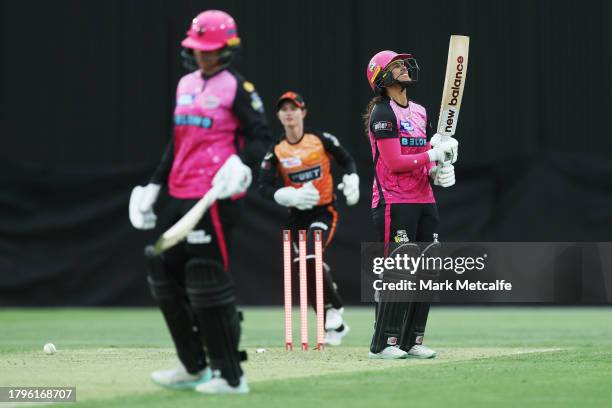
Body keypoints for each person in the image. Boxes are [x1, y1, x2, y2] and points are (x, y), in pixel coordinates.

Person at [128, 10, 271, 394]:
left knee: (205, 275)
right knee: (161, 266)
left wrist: (241, 163)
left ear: (227, 50)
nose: (204, 57)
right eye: (199, 50)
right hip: (180, 193)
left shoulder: (237, 88)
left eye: (211, 51)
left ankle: (230, 376)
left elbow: (261, 137)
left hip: (216, 197)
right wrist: (154, 186)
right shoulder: (185, 85)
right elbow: (179, 141)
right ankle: (194, 366)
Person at [363, 50, 458, 359]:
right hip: (394, 200)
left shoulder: (419, 111)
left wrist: (439, 170)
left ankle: (411, 340)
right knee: (402, 265)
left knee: (429, 262)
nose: (404, 68)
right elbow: (394, 162)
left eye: (403, 64)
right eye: (396, 66)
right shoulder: (382, 113)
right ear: (383, 77)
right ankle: (383, 345)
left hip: (424, 199)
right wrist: (430, 156)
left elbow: (423, 158)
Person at [258, 91, 359, 346]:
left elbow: (346, 160)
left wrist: (352, 179)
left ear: (303, 112)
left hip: (324, 210)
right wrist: (284, 194)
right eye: (284, 109)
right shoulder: (277, 150)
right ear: (279, 116)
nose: (289, 113)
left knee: (312, 253)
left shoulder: (320, 140)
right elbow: (263, 186)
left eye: (294, 108)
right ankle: (329, 321)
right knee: (302, 268)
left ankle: (335, 308)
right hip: (296, 215)